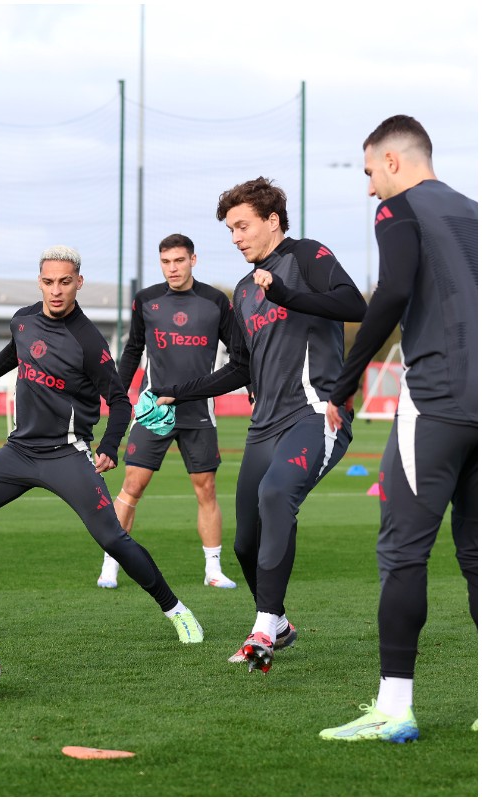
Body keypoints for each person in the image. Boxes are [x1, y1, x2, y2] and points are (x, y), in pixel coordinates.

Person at [150, 177, 367, 672]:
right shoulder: (245, 291)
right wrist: (179, 391)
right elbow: (240, 368)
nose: (236, 237)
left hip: (314, 413)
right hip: (263, 427)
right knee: (246, 543)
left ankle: (263, 628)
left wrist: (288, 293)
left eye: (242, 226)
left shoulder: (307, 256)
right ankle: (281, 622)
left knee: (276, 496)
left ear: (272, 221)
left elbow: (355, 306)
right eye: (230, 229)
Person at [0, 246, 205, 644]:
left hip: (67, 454)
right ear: (39, 282)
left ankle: (178, 611)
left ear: (79, 282)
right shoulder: (22, 320)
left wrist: (110, 446)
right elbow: (10, 356)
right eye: (48, 282)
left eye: (65, 282)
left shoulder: (88, 341)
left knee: (114, 538)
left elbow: (119, 400)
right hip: (18, 452)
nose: (56, 291)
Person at [319, 116, 477, 741]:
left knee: (403, 551)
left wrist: (345, 379)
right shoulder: (473, 212)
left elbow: (391, 292)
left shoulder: (399, 209)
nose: (367, 191)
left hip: (437, 403)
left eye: (367, 174)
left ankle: (394, 709)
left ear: (391, 160)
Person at [97, 233, 240, 590]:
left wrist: (254, 388)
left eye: (179, 260)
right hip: (153, 409)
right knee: (132, 485)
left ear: (193, 259)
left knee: (205, 488)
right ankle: (110, 565)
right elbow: (132, 350)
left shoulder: (215, 301)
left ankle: (213, 570)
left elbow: (240, 353)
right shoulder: (146, 300)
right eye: (165, 262)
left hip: (199, 412)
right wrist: (116, 392)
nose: (172, 268)